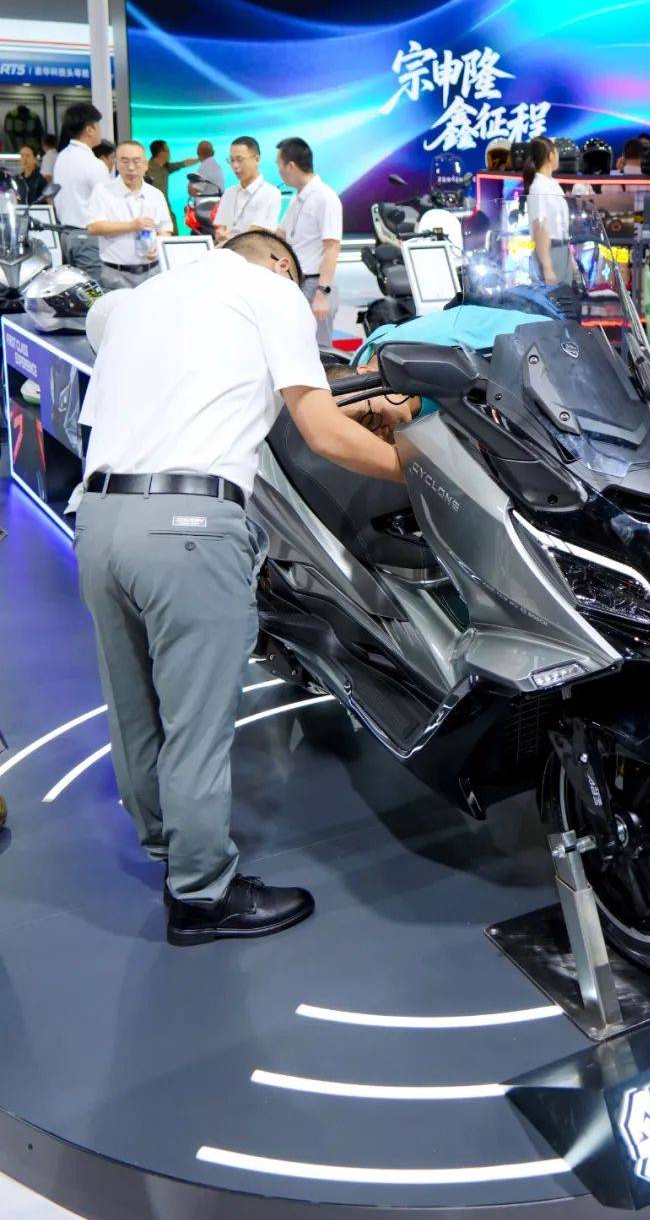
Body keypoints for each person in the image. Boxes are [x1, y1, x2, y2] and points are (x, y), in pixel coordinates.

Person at [76, 229, 411, 946]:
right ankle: (202, 894)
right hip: (190, 528)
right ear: (282, 265)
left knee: (134, 707)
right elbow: (321, 434)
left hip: (100, 518)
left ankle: (168, 847)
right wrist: (423, 476)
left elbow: (183, 408)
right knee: (197, 722)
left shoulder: (141, 301)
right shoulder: (270, 291)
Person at [278, 137, 344, 349]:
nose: (278, 170)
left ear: (291, 166)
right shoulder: (297, 198)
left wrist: (322, 293)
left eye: (279, 164)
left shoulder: (325, 197)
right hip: (297, 283)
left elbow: (332, 247)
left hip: (316, 285)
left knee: (319, 353)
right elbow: (280, 234)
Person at [86, 139, 173, 289]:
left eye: (136, 161)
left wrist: (158, 245)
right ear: (117, 163)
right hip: (116, 274)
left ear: (145, 165)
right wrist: (132, 226)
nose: (131, 167)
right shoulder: (103, 191)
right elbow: (93, 227)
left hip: (152, 272)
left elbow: (166, 229)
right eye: (125, 161)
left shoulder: (155, 194)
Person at [52, 101, 108, 282]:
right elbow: (106, 204)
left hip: (66, 235)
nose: (100, 130)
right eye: (98, 125)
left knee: (78, 290)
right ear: (89, 129)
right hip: (87, 237)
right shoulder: (93, 163)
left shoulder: (62, 157)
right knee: (96, 292)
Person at [523, 136, 572, 286]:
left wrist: (570, 259)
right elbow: (540, 228)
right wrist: (547, 267)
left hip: (562, 251)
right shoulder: (538, 187)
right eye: (556, 152)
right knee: (551, 298)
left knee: (566, 297)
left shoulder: (553, 184)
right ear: (550, 155)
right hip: (549, 254)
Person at [214, 137, 282, 243]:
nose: (235, 166)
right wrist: (220, 234)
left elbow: (258, 234)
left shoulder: (271, 193)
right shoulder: (229, 192)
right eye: (232, 160)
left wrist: (230, 239)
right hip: (225, 249)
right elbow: (220, 227)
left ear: (257, 159)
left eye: (240, 160)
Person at [146, 140, 198, 232]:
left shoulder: (166, 167)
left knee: (173, 233)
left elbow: (184, 163)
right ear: (161, 152)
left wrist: (200, 159)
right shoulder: (146, 168)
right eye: (168, 150)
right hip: (151, 212)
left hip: (166, 209)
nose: (170, 153)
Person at [15, 142, 46, 206]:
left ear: (35, 159)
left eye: (27, 155)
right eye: (22, 155)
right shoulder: (17, 179)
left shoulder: (40, 180)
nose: (24, 158)